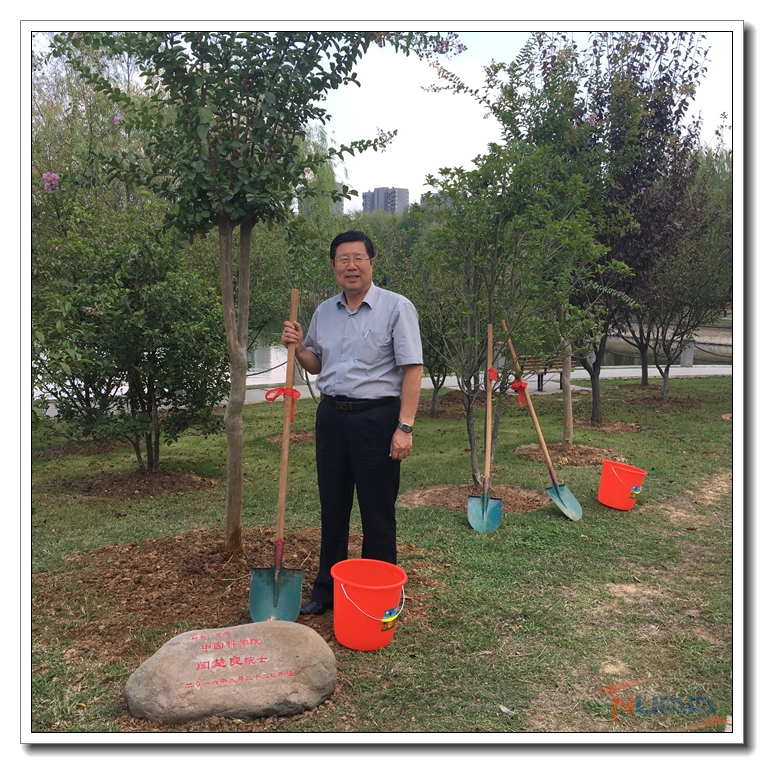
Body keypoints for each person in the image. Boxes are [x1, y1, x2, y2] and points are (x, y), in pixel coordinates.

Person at [281, 230, 423, 616]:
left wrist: (404, 427)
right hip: (332, 418)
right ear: (333, 266)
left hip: (376, 419)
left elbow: (412, 370)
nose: (351, 266)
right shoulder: (324, 312)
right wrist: (299, 347)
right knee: (333, 507)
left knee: (377, 512)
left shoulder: (396, 308)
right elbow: (317, 364)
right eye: (343, 259)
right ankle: (327, 591)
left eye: (359, 258)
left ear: (372, 263)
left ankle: (377, 593)